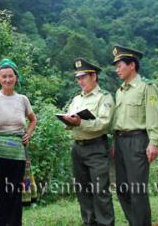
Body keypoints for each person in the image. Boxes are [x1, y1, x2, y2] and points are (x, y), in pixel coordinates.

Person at [112, 44, 158, 226]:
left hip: (138, 141)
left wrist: (154, 142)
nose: (117, 70)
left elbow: (153, 115)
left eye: (119, 65)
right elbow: (118, 120)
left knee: (137, 190)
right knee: (122, 189)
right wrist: (114, 144)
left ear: (132, 65)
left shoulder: (146, 87)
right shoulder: (120, 91)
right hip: (120, 142)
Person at [0, 58, 37, 226]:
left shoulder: (22, 99)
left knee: (16, 194)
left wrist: (28, 133)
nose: (7, 80)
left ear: (16, 78)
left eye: (10, 76)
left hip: (19, 155)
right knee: (2, 195)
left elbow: (33, 119)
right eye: (3, 76)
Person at [63, 58, 115, 226]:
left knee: (100, 190)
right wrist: (68, 121)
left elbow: (104, 124)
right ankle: (89, 222)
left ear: (94, 76)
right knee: (82, 190)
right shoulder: (77, 99)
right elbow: (72, 121)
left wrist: (80, 122)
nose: (80, 81)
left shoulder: (104, 98)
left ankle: (105, 223)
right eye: (78, 78)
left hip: (96, 147)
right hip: (77, 148)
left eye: (83, 77)